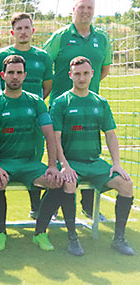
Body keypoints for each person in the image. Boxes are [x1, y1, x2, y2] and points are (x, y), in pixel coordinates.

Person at [0, 55, 74, 251]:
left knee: (57, 181)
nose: (15, 76)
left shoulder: (36, 102)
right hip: (3, 162)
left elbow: (49, 134)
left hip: (30, 164)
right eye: (11, 73)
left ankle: (40, 233)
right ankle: (0, 231)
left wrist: (53, 166)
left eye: (19, 73)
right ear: (2, 75)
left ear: (25, 75)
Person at [48, 56, 134, 256]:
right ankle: (73, 238)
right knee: (69, 182)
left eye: (86, 73)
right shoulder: (61, 103)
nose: (81, 78)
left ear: (92, 74)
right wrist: (64, 165)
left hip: (95, 163)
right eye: (77, 74)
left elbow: (111, 134)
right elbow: (55, 139)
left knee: (126, 184)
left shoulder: (100, 102)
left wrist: (117, 164)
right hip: (72, 163)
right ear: (70, 75)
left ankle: (119, 239)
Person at [44, 0, 112, 221]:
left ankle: (89, 207)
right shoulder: (60, 36)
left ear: (94, 10)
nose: (86, 11)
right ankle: (53, 208)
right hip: (62, 106)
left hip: (89, 107)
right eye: (81, 7)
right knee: (58, 156)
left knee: (88, 155)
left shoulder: (102, 37)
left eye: (90, 7)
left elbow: (103, 69)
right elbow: (46, 65)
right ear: (73, 9)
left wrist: (87, 89)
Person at [0, 13, 54, 220]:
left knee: (33, 160)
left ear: (33, 30)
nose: (23, 32)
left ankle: (36, 207)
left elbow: (46, 88)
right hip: (7, 120)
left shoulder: (43, 57)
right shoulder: (0, 57)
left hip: (33, 119)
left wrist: (31, 107)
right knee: (2, 163)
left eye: (27, 27)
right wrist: (6, 108)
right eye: (19, 28)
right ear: (13, 32)